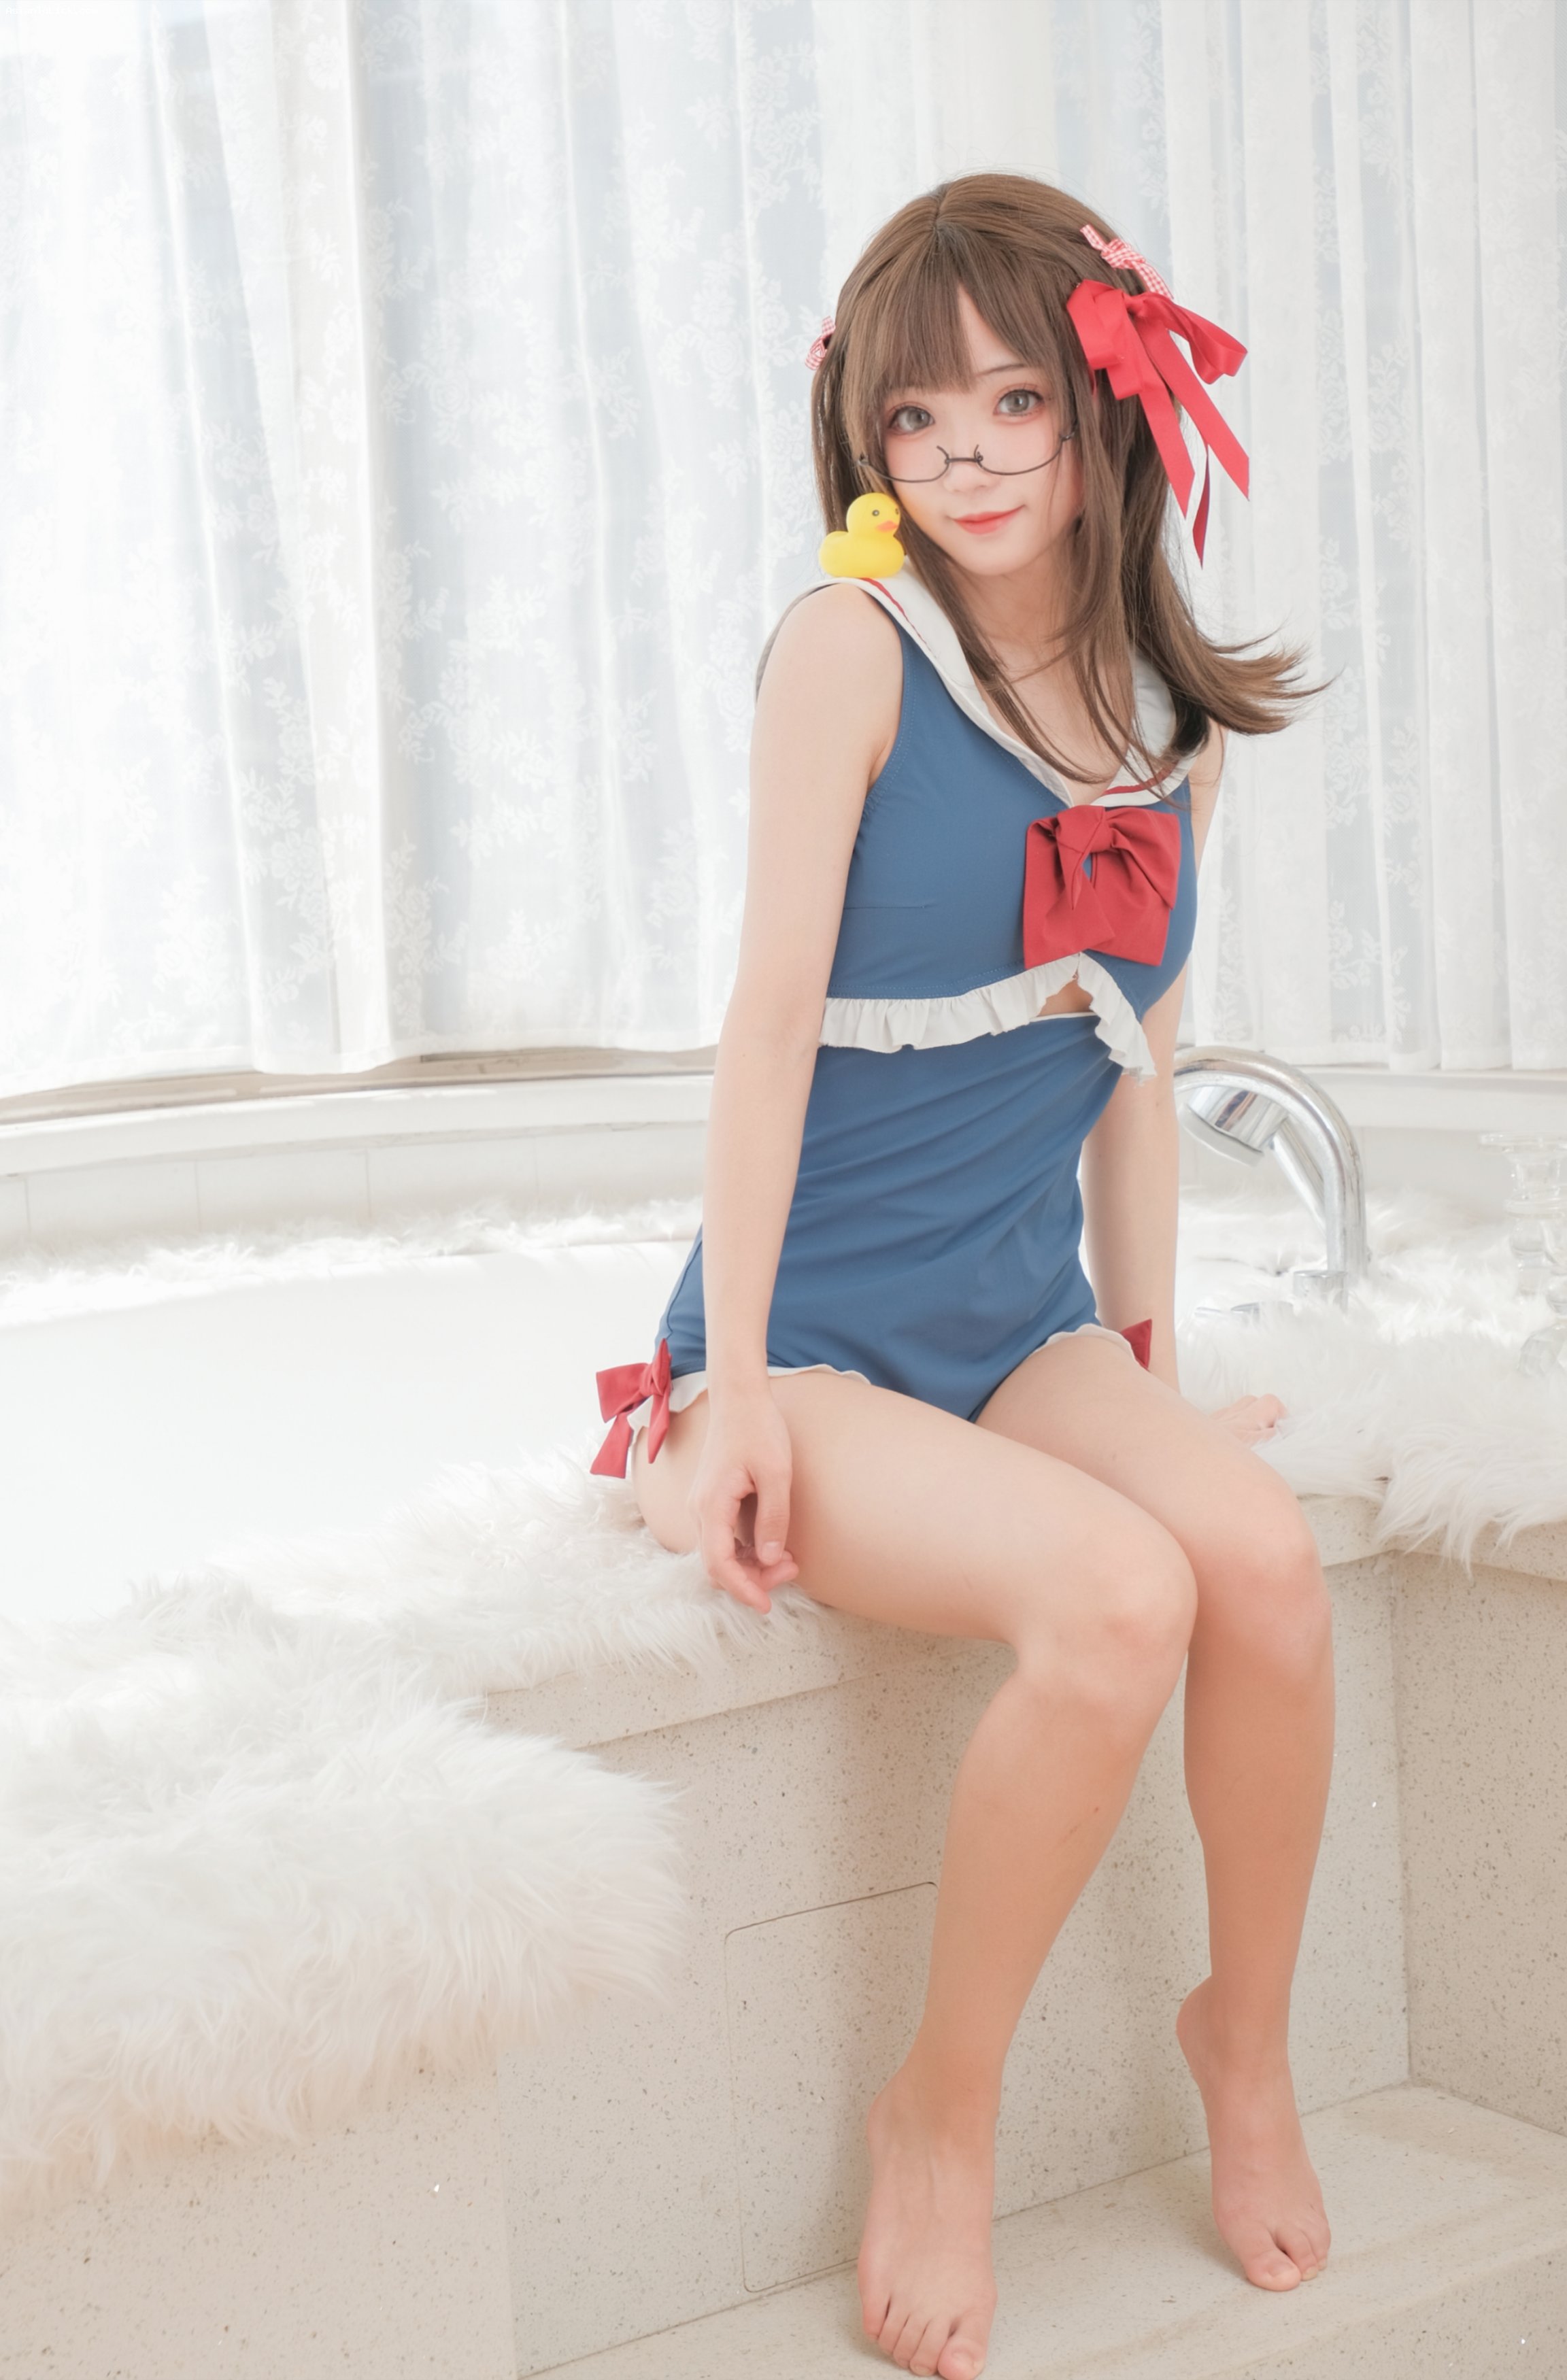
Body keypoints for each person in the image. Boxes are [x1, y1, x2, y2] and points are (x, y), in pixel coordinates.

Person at [599, 173, 1334, 2380]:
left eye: (1017, 401)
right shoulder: (849, 650)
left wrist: (1151, 1374)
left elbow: (1134, 1070)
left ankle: (1245, 2037)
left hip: (1010, 1324)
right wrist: (735, 1382)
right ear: (865, 442)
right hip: (808, 1338)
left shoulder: (1169, 716)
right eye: (917, 419)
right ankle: (940, 2105)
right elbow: (764, 1027)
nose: (971, 457)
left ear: (1105, 409)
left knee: (1259, 1557)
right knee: (1118, 1599)